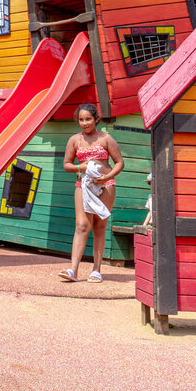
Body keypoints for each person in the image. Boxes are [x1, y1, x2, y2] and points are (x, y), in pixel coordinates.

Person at [58, 104, 123, 283]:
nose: (85, 123)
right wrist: (81, 167)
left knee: (99, 227)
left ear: (95, 119)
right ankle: (73, 270)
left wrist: (106, 177)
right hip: (83, 185)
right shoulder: (74, 140)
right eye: (81, 119)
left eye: (88, 119)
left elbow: (119, 163)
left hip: (106, 185)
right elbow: (66, 165)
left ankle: (96, 270)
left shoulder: (106, 138)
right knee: (81, 226)